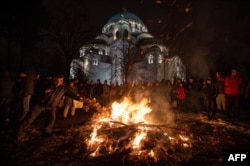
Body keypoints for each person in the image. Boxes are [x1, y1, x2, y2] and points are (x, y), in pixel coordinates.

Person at [16, 74, 82, 140]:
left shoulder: (63, 88)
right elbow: (36, 89)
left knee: (51, 119)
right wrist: (43, 91)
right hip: (41, 104)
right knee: (30, 118)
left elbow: (70, 94)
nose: (60, 81)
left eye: (61, 80)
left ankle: (47, 133)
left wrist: (78, 98)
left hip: (52, 106)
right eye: (59, 80)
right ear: (55, 80)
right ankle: (18, 132)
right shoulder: (47, 84)